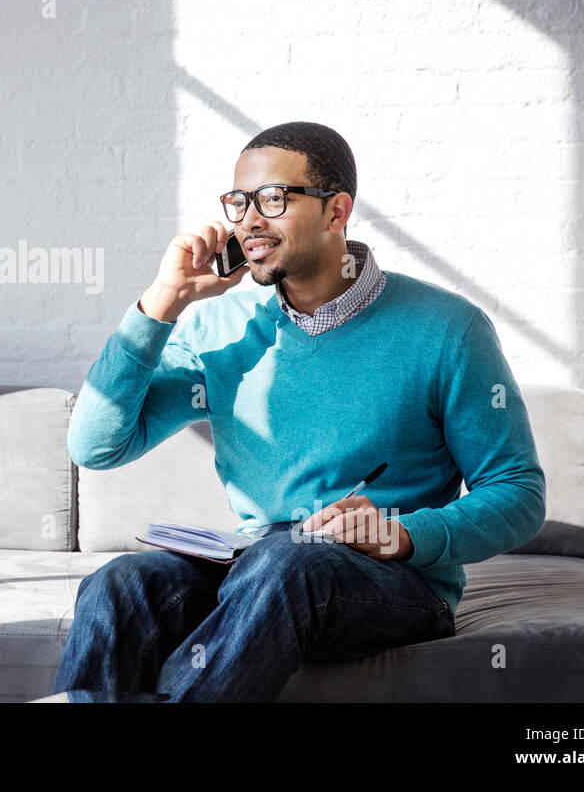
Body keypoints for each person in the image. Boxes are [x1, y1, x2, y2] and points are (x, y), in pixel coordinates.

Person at [51, 121, 546, 702]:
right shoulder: (218, 329)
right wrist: (162, 303)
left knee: (290, 562)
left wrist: (403, 533)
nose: (249, 220)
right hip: (256, 567)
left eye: (274, 199)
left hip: (393, 583)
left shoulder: (447, 328)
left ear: (337, 211)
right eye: (239, 202)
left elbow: (518, 491)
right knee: (120, 584)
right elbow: (95, 445)